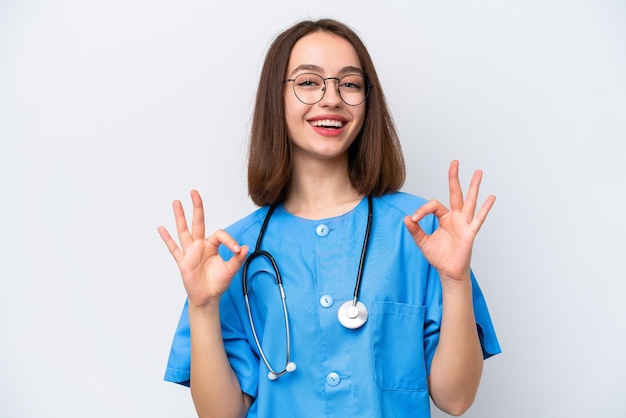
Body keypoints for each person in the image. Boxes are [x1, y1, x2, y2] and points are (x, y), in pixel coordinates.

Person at [158, 18, 500, 418]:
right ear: (276, 98)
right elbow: (222, 414)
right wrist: (202, 307)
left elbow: (455, 399)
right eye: (308, 82)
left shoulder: (421, 232)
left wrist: (456, 282)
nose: (332, 98)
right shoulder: (234, 255)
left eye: (350, 84)